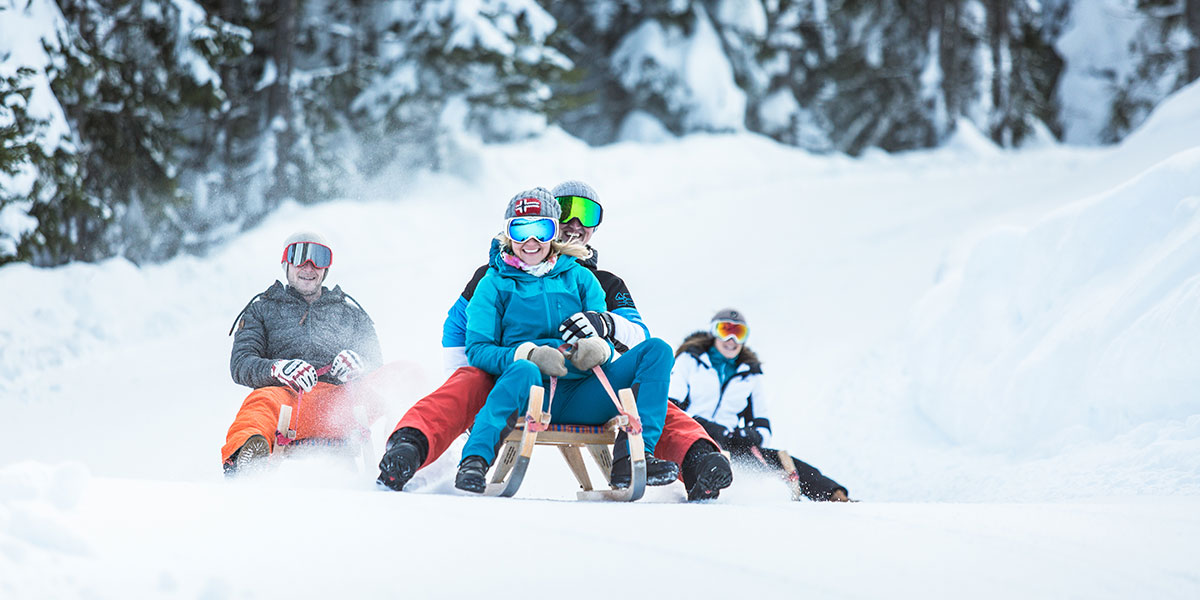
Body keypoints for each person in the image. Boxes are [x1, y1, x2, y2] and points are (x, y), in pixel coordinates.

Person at [378, 182, 733, 500]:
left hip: (589, 382)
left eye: (588, 214)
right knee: (468, 382)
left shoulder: (601, 282)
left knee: (647, 394)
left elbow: (639, 334)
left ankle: (696, 458)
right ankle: (409, 446)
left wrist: (605, 328)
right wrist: (463, 381)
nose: (575, 223)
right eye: (566, 211)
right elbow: (460, 328)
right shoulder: (496, 276)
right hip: (512, 375)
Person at [222, 231, 400, 475]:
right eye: (300, 256)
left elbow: (376, 365)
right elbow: (242, 363)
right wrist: (278, 368)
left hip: (342, 404)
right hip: (288, 399)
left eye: (319, 258)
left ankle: (406, 452)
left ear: (326, 268)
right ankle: (245, 459)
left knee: (400, 384)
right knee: (259, 406)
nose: (309, 266)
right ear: (286, 263)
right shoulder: (261, 310)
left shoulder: (349, 313)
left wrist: (361, 365)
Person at [670, 308, 851, 502]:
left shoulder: (750, 374)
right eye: (725, 330)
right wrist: (707, 427)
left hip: (731, 443)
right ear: (714, 332)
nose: (731, 339)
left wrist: (748, 435)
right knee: (707, 458)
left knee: (784, 461)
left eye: (738, 333)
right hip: (692, 436)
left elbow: (763, 426)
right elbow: (671, 406)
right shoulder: (690, 360)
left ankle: (835, 496)